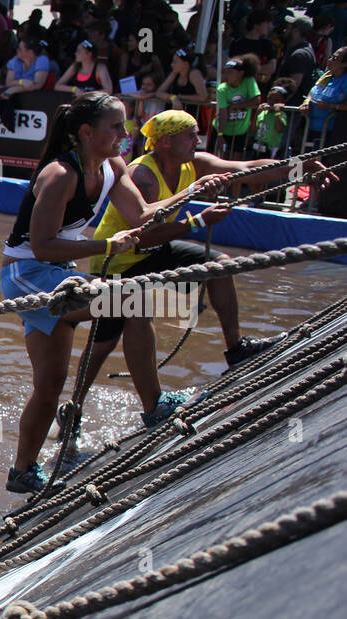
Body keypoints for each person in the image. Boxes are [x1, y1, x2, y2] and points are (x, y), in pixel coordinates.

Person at [0, 93, 229, 494]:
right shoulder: (59, 175)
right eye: (116, 127)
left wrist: (194, 196)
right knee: (132, 298)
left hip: (61, 273)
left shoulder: (113, 165)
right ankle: (153, 406)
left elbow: (142, 216)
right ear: (87, 133)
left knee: (50, 386)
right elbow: (41, 247)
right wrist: (107, 246)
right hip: (27, 276)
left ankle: (21, 473)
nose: (125, 135)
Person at [83, 109, 318, 411]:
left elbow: (248, 168)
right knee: (103, 344)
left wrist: (298, 167)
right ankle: (74, 407)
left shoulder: (194, 164)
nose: (199, 139)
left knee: (220, 264)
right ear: (166, 142)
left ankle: (235, 349)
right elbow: (143, 236)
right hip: (120, 262)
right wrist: (198, 222)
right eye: (191, 134)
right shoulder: (142, 175)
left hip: (158, 249)